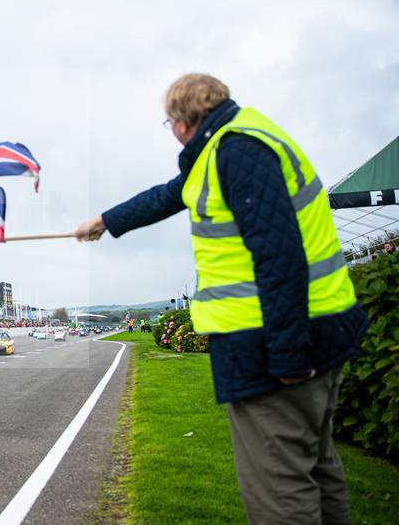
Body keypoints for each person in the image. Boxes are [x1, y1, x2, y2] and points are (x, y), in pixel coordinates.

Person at [73, 73, 369, 524]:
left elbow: (279, 258)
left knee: (281, 493)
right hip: (313, 330)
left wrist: (288, 358)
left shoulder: (238, 152)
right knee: (316, 469)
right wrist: (106, 221)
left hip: (275, 350)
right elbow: (169, 195)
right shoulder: (231, 143)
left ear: (181, 123)